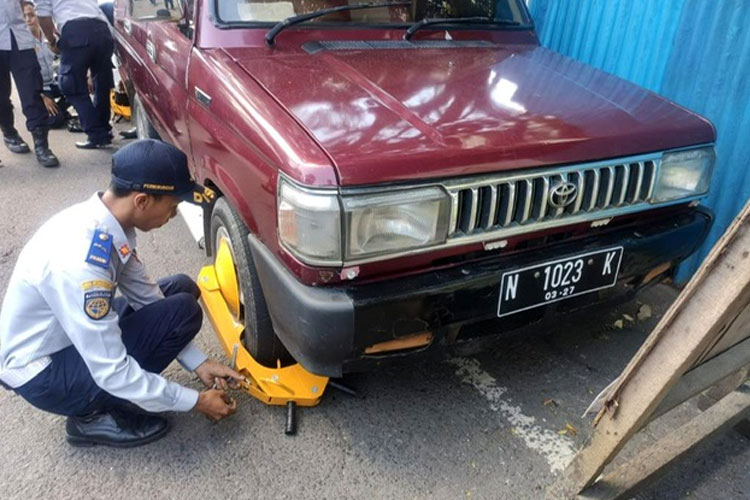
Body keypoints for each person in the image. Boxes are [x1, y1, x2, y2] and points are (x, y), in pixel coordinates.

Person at [0, 139, 242, 448]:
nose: (172, 215)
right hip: (45, 373)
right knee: (180, 313)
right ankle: (89, 416)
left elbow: (147, 296)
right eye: (173, 206)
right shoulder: (81, 262)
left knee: (180, 292)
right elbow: (111, 370)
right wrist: (195, 401)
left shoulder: (108, 222)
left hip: (66, 338)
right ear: (142, 201)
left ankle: (108, 399)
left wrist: (198, 362)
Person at [35, 0, 114, 149]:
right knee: (101, 83)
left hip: (76, 31)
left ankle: (97, 134)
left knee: (70, 85)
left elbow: (42, 15)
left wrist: (52, 41)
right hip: (102, 30)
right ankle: (104, 130)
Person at [0, 0, 59, 167]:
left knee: (32, 90)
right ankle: (9, 133)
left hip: (19, 36)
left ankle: (42, 146)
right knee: (1, 98)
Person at [22, 0, 77, 131]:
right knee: (55, 121)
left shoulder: (49, 35)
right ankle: (54, 112)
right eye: (24, 17)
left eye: (31, 15)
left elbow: (63, 57)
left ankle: (58, 110)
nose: (28, 19)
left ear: (37, 15)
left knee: (76, 85)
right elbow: (25, 78)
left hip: (52, 82)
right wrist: (42, 97)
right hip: (38, 89)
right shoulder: (24, 43)